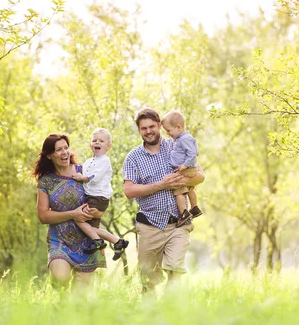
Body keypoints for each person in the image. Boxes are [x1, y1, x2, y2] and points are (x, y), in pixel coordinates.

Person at [123, 108, 205, 292]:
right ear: (139, 130)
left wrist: (180, 180)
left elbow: (200, 176)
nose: (149, 131)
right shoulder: (133, 158)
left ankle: (170, 313)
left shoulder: (178, 144)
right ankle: (149, 316)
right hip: (150, 225)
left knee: (175, 270)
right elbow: (129, 190)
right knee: (147, 281)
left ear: (160, 125)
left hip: (179, 223)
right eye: (144, 128)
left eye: (152, 126)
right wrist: (161, 184)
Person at [33, 133, 106, 286]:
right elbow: (43, 216)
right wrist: (73, 214)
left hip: (87, 240)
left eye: (66, 148)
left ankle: (64, 309)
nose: (64, 152)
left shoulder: (84, 171)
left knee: (79, 299)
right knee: (61, 278)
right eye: (58, 150)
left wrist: (97, 213)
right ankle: (59, 295)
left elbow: (102, 199)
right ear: (49, 155)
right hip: (59, 240)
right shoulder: (46, 181)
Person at [72, 128, 129, 261]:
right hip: (91, 196)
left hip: (98, 197)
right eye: (94, 140)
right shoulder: (88, 161)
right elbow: (81, 171)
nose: (97, 142)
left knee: (78, 218)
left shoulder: (105, 161)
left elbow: (95, 177)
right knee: (92, 228)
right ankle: (117, 241)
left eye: (101, 141)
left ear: (109, 146)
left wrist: (83, 178)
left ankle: (97, 241)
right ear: (90, 144)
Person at [161, 110, 202, 227]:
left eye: (169, 130)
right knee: (190, 190)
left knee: (178, 191)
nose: (168, 133)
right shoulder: (184, 138)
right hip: (188, 169)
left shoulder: (184, 139)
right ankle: (194, 208)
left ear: (178, 127)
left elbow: (193, 153)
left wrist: (184, 165)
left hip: (186, 169)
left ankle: (184, 213)